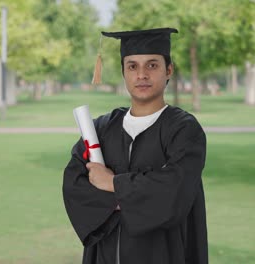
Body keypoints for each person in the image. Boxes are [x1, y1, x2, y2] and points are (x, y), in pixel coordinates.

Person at [63, 28, 208, 264]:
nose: (141, 75)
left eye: (152, 65)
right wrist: (136, 197)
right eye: (132, 66)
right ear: (123, 72)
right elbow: (74, 186)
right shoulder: (100, 129)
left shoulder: (184, 130)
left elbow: (174, 191)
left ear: (168, 70)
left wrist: (111, 184)